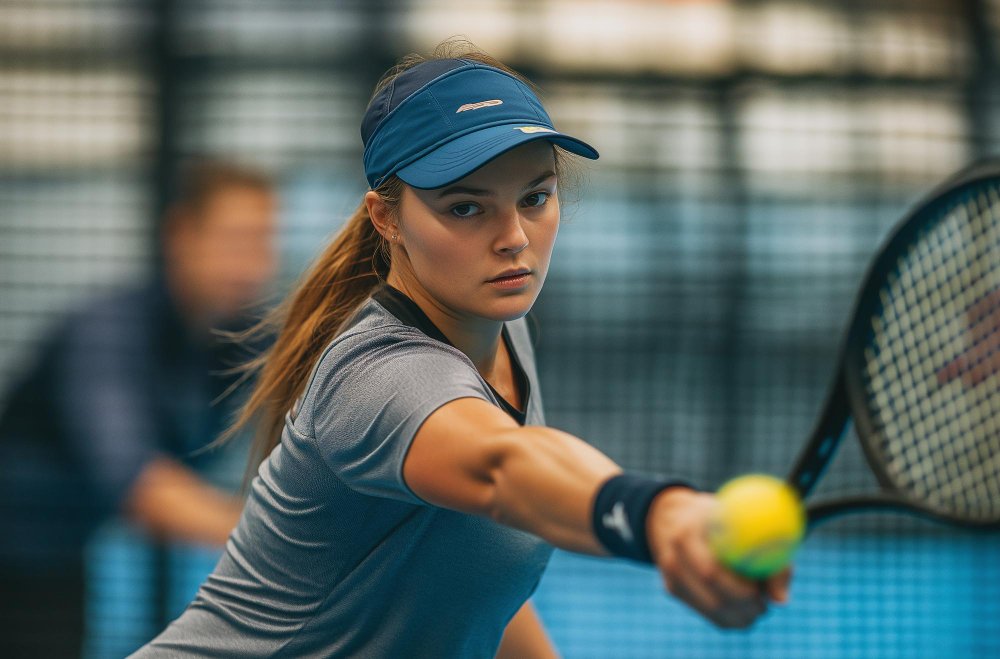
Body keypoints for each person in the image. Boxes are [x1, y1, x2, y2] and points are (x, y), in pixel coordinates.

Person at [135, 44, 791, 659]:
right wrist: (660, 514)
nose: (514, 238)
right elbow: (504, 469)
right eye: (465, 208)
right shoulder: (382, 376)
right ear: (386, 217)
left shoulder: (501, 325)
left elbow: (477, 585)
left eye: (535, 197)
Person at [0, 161, 278, 658]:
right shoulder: (107, 332)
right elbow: (138, 485)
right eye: (237, 240)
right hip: (16, 559)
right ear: (180, 235)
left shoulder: (232, 338)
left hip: (62, 555)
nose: (254, 265)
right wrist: (283, 536)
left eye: (263, 242)